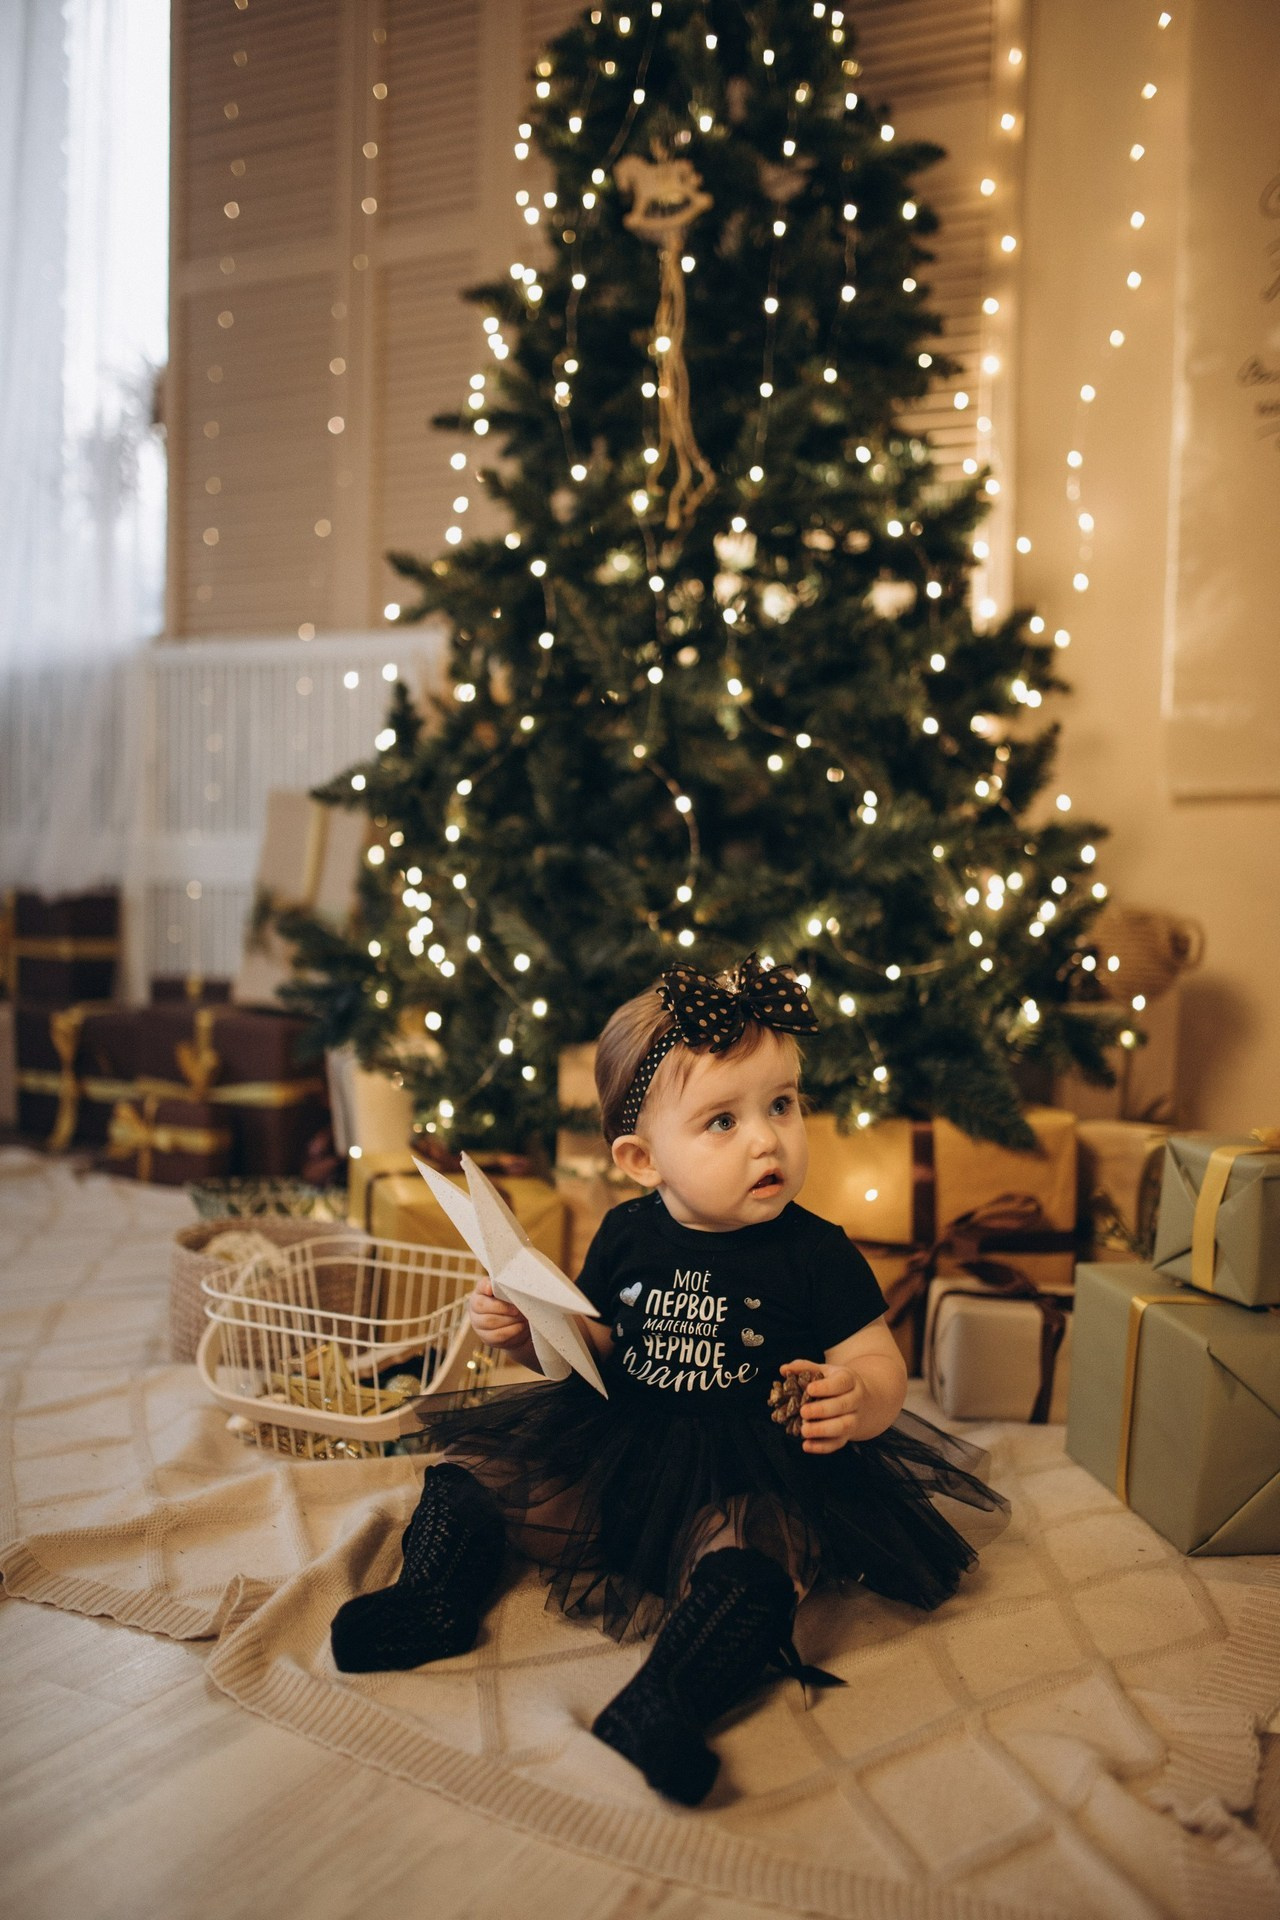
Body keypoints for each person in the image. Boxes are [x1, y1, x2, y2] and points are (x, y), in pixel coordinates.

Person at [330, 956, 1008, 1805]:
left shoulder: (817, 1251)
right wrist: (526, 1334)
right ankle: (431, 1599)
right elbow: (600, 1348)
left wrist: (859, 1397)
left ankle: (666, 1700)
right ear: (642, 1159)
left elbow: (878, 1358)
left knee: (757, 1563)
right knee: (479, 1475)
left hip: (747, 1468)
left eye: (783, 1105)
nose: (767, 1139)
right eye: (722, 1121)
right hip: (624, 1443)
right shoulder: (624, 1233)